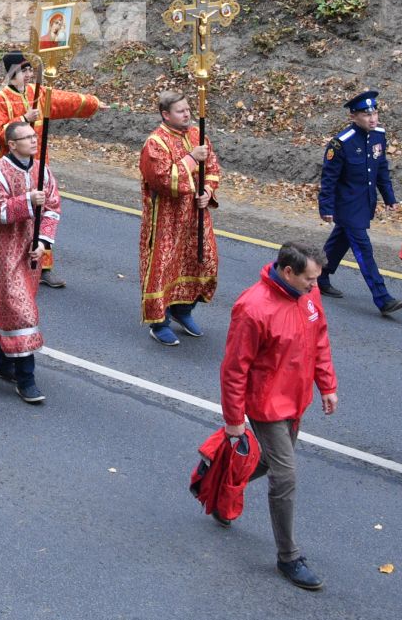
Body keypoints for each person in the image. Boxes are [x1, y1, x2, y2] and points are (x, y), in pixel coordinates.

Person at [218, 243, 339, 591]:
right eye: (309, 279)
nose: (315, 286)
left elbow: (320, 342)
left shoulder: (310, 296)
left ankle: (222, 482)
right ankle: (288, 557)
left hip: (295, 400)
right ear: (288, 272)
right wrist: (234, 420)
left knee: (271, 464)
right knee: (285, 476)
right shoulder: (252, 307)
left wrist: (327, 385)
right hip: (267, 405)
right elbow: (234, 369)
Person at [0, 51, 99, 286]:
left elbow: (64, 101)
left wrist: (93, 104)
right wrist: (23, 118)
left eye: (29, 70)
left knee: (41, 209)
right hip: (9, 168)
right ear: (12, 73)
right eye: (23, 71)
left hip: (38, 164)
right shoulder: (0, 100)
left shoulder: (37, 93)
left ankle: (42, 265)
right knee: (8, 213)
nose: (28, 75)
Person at [0, 119, 61, 405]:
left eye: (34, 136)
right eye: (27, 137)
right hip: (2, 250)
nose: (33, 140)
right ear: (12, 144)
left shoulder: (43, 170)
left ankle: (4, 363)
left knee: (16, 305)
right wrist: (29, 200)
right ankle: (26, 378)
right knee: (22, 312)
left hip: (30, 249)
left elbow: (53, 207)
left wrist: (43, 242)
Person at [139, 90, 221, 346]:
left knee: (203, 262)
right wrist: (190, 159)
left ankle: (182, 310)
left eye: (188, 109)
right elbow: (164, 181)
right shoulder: (155, 143)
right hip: (166, 218)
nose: (187, 114)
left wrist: (208, 192)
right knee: (163, 268)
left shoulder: (198, 135)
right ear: (166, 115)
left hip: (196, 215)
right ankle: (159, 322)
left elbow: (213, 168)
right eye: (180, 111)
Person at [319, 89, 402, 315]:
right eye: (366, 114)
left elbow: (381, 168)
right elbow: (329, 179)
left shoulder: (378, 135)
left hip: (365, 203)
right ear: (353, 116)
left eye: (375, 112)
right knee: (363, 249)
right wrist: (326, 207)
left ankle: (318, 273)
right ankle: (382, 297)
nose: (373, 118)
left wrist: (389, 197)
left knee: (340, 241)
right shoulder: (341, 143)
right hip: (346, 206)